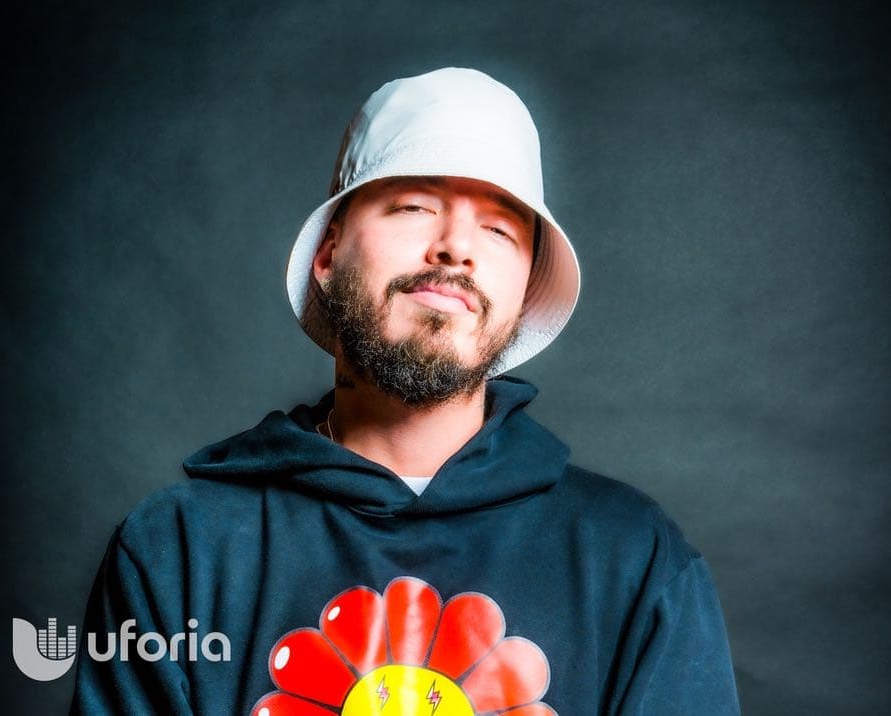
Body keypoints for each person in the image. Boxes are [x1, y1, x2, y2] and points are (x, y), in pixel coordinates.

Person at [71, 67, 740, 715]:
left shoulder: (636, 562)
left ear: (523, 289)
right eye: (415, 207)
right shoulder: (179, 549)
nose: (455, 247)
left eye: (500, 229)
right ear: (328, 254)